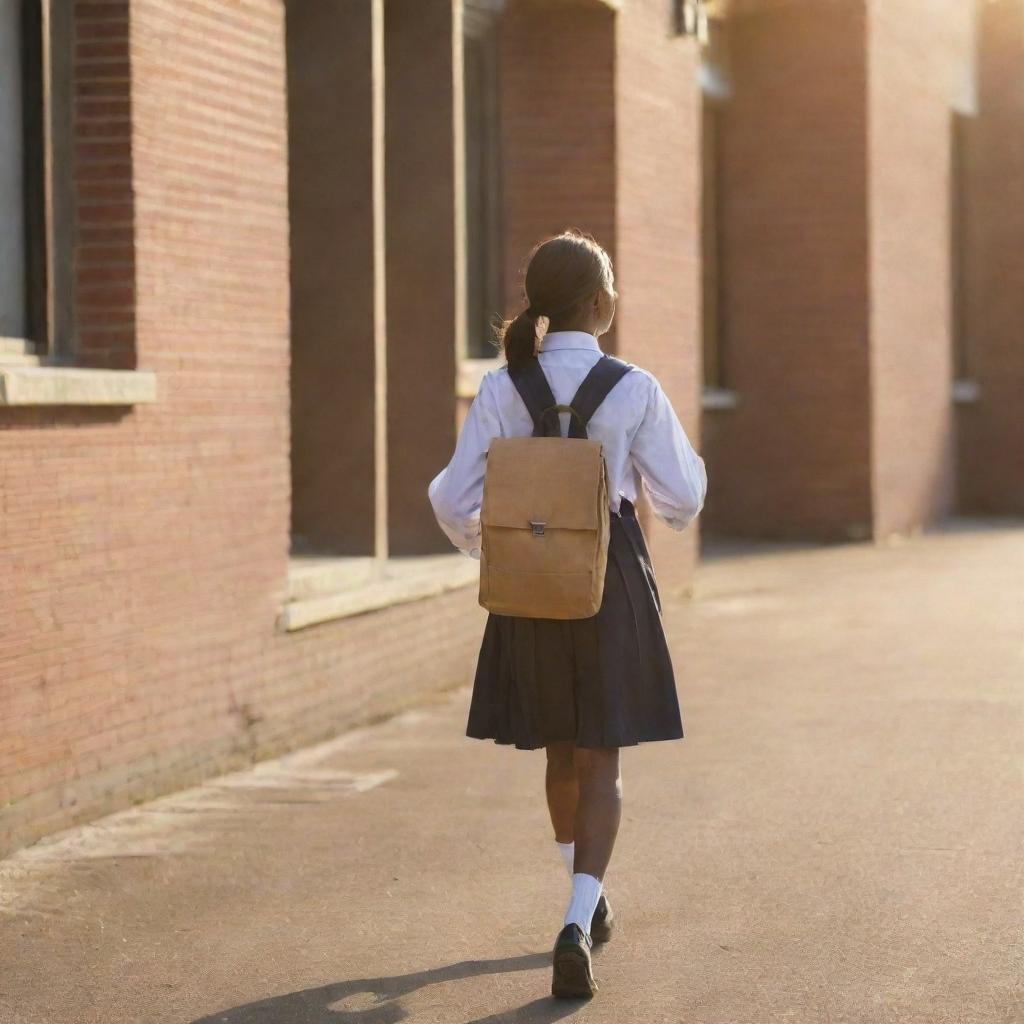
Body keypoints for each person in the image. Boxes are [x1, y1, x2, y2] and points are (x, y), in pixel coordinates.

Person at [428, 229, 707, 999]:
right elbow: (683, 497)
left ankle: (583, 897)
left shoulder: (499, 388)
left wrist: (492, 551)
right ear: (598, 302)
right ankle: (579, 919)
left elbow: (452, 499)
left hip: (528, 584)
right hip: (608, 577)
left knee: (558, 751)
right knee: (602, 756)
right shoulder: (634, 387)